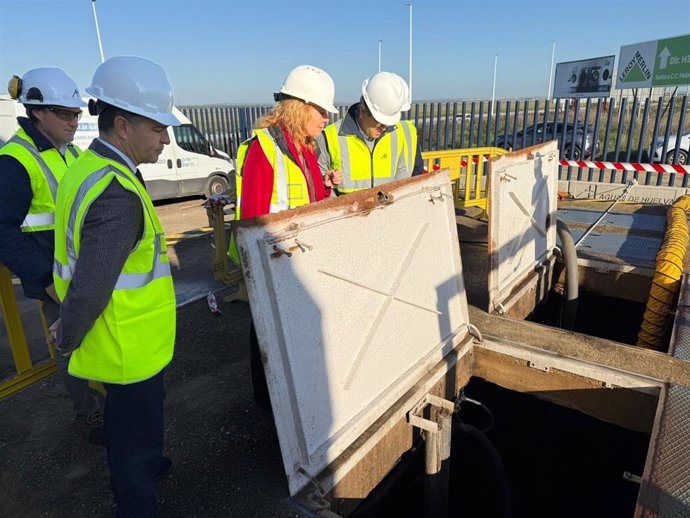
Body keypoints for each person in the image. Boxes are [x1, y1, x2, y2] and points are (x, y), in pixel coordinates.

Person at [52, 56, 179, 517]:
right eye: (158, 129)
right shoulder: (116, 192)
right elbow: (90, 285)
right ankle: (136, 501)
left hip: (125, 342)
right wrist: (66, 333)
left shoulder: (91, 168)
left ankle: (144, 470)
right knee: (133, 440)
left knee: (132, 431)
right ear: (122, 125)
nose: (167, 138)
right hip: (128, 348)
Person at [0, 67, 104, 444]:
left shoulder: (70, 152)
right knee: (69, 346)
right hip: (53, 280)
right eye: (65, 113)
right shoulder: (15, 160)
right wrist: (44, 281)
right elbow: (3, 230)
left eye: (76, 114)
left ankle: (106, 398)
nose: (74, 121)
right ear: (36, 111)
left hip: (84, 272)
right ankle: (88, 412)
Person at [228, 65, 340, 408]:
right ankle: (271, 406)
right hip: (273, 263)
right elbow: (254, 220)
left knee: (288, 338)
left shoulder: (305, 146)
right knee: (268, 335)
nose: (325, 119)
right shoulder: (267, 148)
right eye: (321, 111)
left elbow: (303, 198)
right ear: (299, 106)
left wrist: (325, 186)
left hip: (294, 259)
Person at [317, 71, 423, 195]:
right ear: (362, 110)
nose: (385, 127)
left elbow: (417, 179)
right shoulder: (330, 137)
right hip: (349, 213)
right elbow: (319, 190)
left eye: (389, 120)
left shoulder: (407, 133)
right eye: (379, 121)